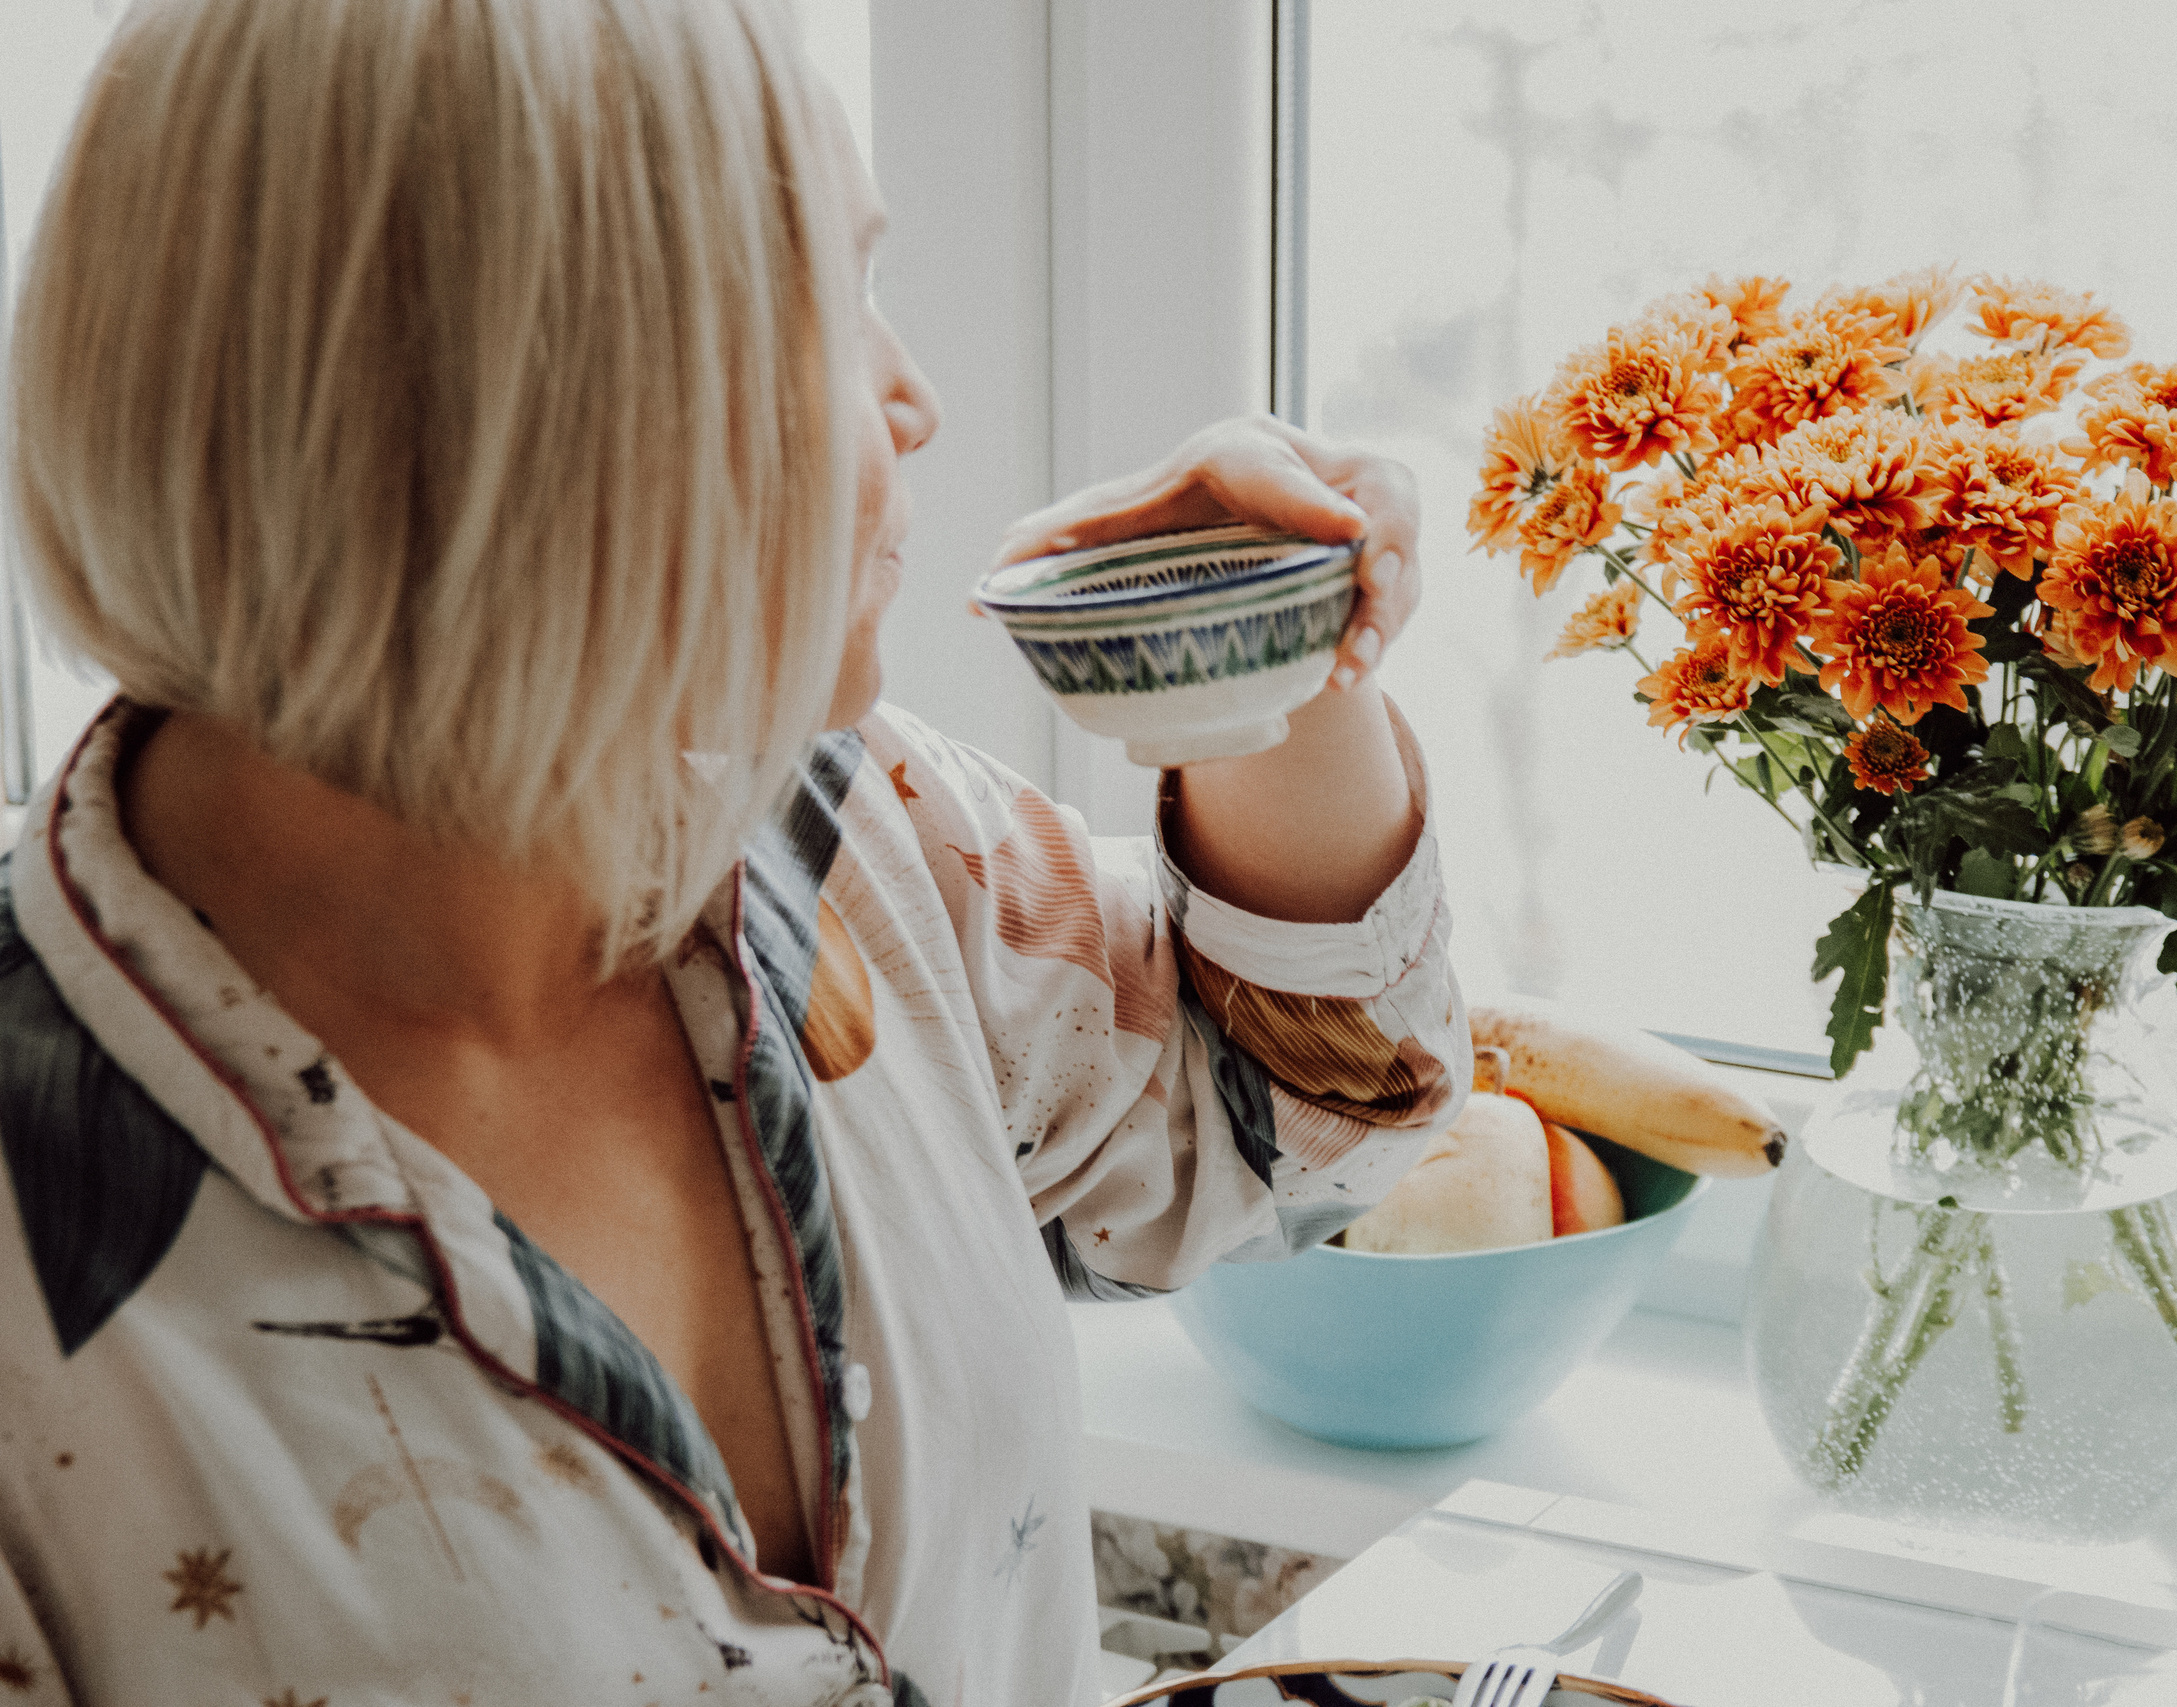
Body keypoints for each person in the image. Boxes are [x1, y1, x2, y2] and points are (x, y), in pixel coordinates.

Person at [0, 2, 1465, 1702]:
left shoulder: (847, 833)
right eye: (837, 299)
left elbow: (1298, 1128)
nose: (916, 398)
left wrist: (1272, 662)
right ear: (536, 406)